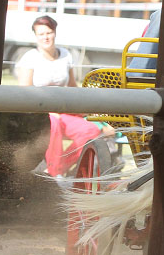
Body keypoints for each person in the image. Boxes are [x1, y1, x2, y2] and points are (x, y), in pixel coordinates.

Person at [15, 16, 111, 182]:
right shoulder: (30, 57)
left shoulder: (65, 55)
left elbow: (73, 87)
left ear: (55, 33)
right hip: (40, 112)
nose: (45, 37)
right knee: (54, 123)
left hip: (64, 110)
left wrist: (85, 108)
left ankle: (59, 169)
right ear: (35, 36)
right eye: (41, 34)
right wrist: (48, 110)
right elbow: (25, 93)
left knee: (91, 130)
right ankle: (55, 173)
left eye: (49, 32)